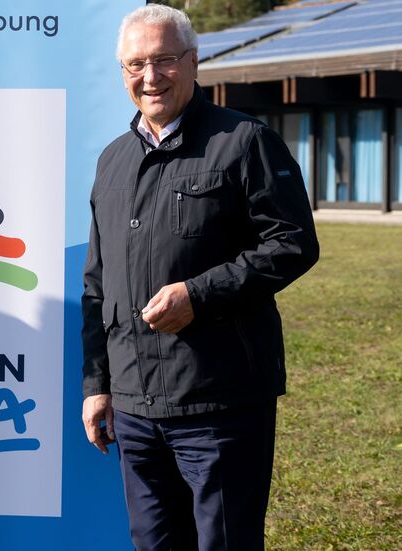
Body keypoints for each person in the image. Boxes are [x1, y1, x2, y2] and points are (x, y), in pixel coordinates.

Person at [80, 4, 318, 550]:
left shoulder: (245, 142)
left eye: (164, 60)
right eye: (135, 64)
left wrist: (198, 295)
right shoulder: (112, 161)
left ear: (193, 62)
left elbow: (292, 243)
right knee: (154, 544)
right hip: (136, 407)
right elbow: (97, 284)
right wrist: (98, 386)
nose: (149, 76)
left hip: (218, 401)